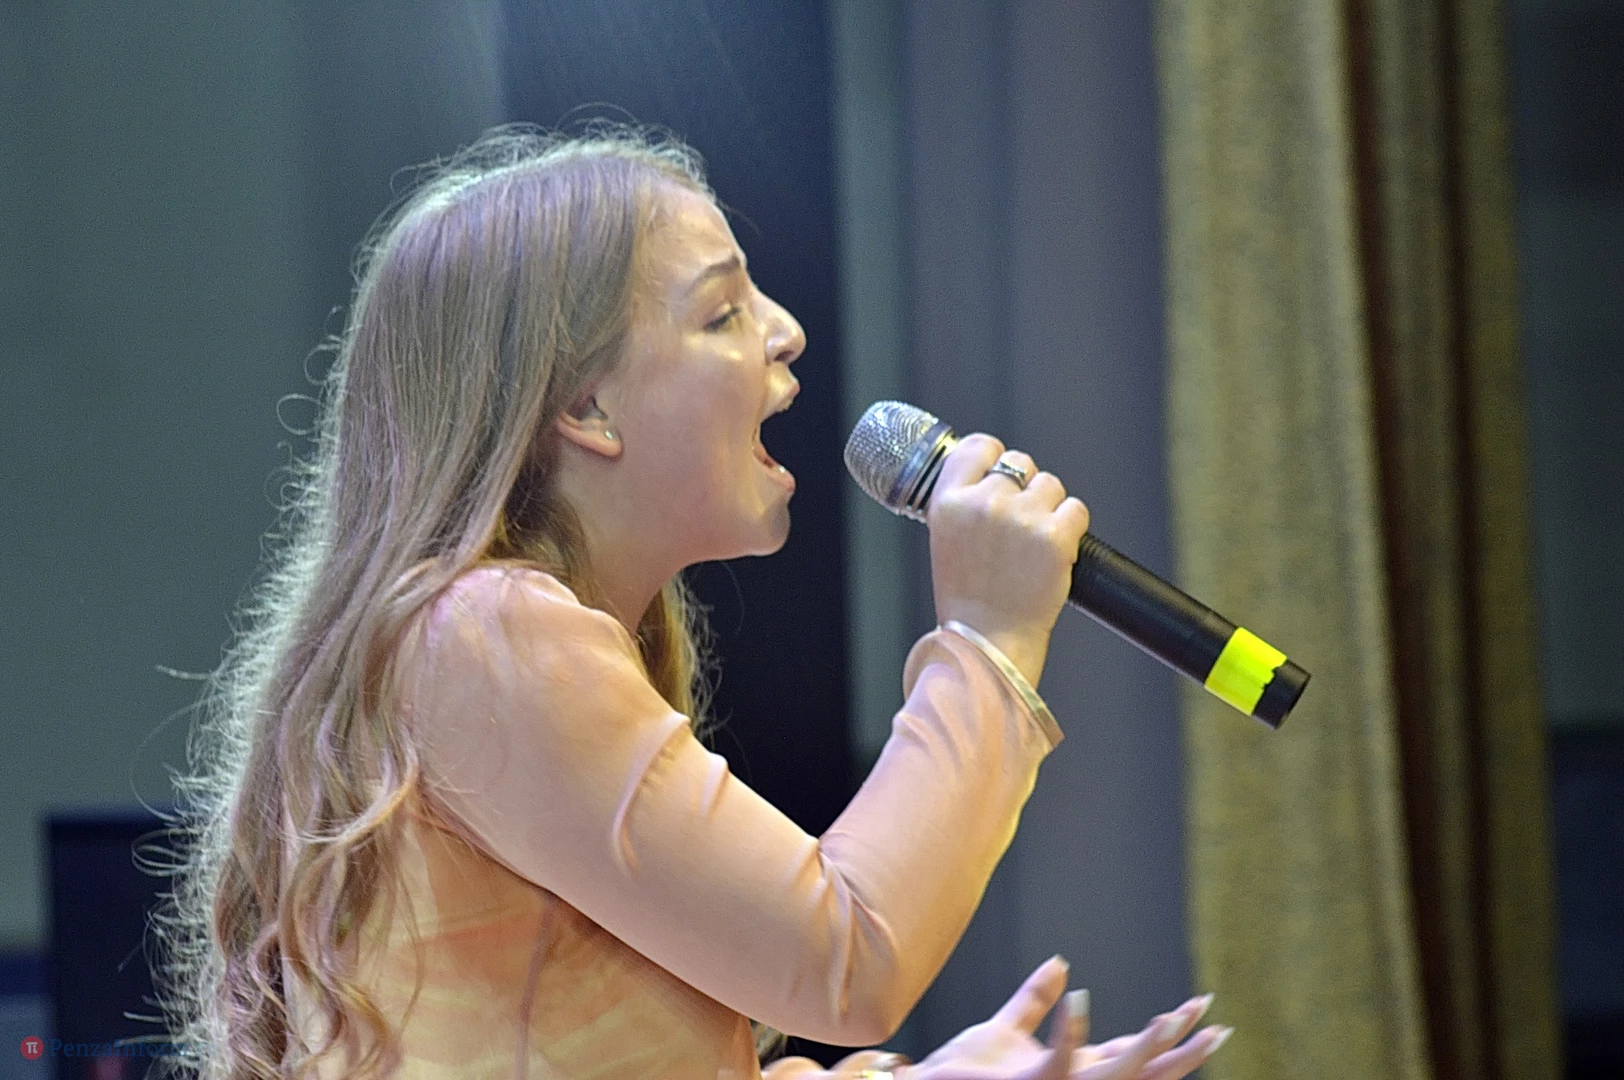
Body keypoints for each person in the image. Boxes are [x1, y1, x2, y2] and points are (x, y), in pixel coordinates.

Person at [161, 126, 1232, 1080]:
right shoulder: (486, 636)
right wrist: (986, 640)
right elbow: (848, 960)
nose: (787, 331)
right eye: (722, 312)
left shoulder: (485, 643)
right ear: (588, 405)